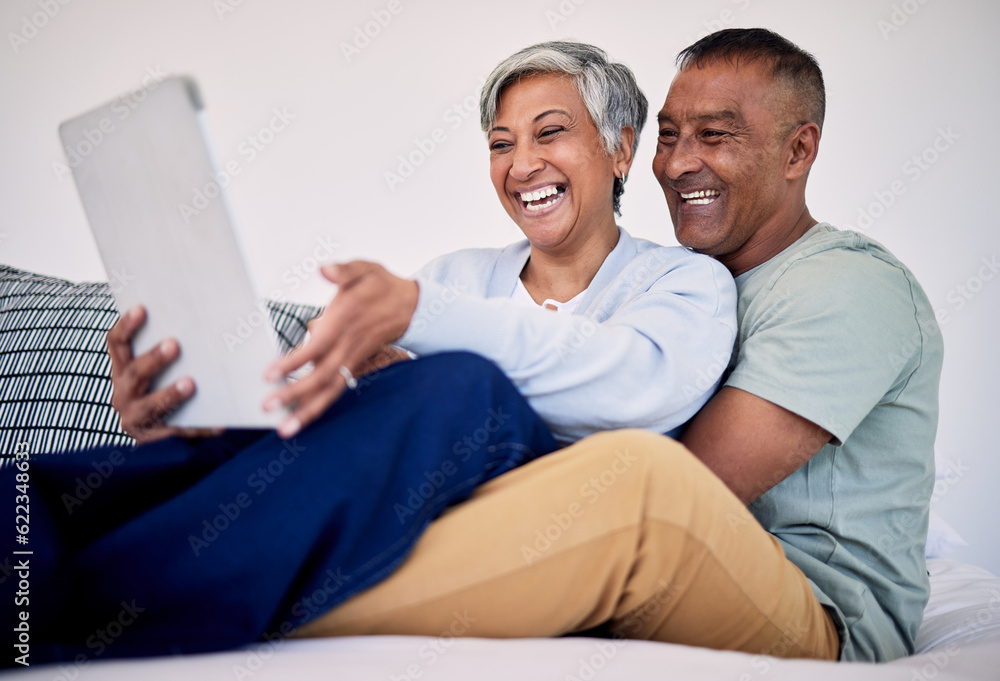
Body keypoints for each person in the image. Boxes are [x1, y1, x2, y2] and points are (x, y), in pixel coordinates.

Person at [5, 43, 737, 662]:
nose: (522, 165)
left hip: (553, 513)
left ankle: (85, 606)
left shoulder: (684, 281)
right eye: (501, 143)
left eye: (550, 133)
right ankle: (24, 537)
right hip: (407, 509)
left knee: (464, 391)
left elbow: (640, 386)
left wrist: (426, 334)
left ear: (620, 147)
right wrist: (183, 411)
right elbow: (337, 446)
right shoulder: (456, 273)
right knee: (273, 433)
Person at [293, 29, 942, 664]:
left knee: (644, 481)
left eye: (713, 135)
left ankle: (287, 612)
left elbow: (695, 482)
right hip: (686, 567)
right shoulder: (690, 281)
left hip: (820, 611)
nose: (679, 162)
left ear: (798, 151)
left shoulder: (844, 284)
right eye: (669, 135)